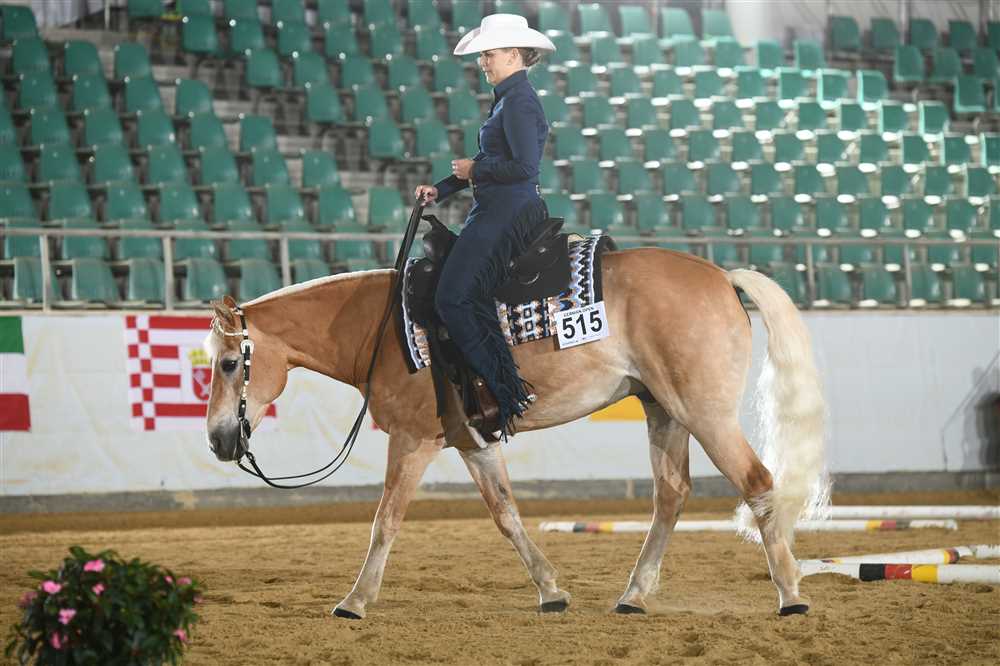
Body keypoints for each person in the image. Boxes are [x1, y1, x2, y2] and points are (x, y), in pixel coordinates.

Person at [413, 14, 555, 440]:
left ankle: (505, 392)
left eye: (489, 54)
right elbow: (493, 163)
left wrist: (476, 169)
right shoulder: (509, 99)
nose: (482, 62)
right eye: (483, 55)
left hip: (506, 212)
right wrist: (441, 189)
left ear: (513, 55)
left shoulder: (519, 102)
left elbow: (524, 168)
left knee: (454, 297)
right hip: (498, 208)